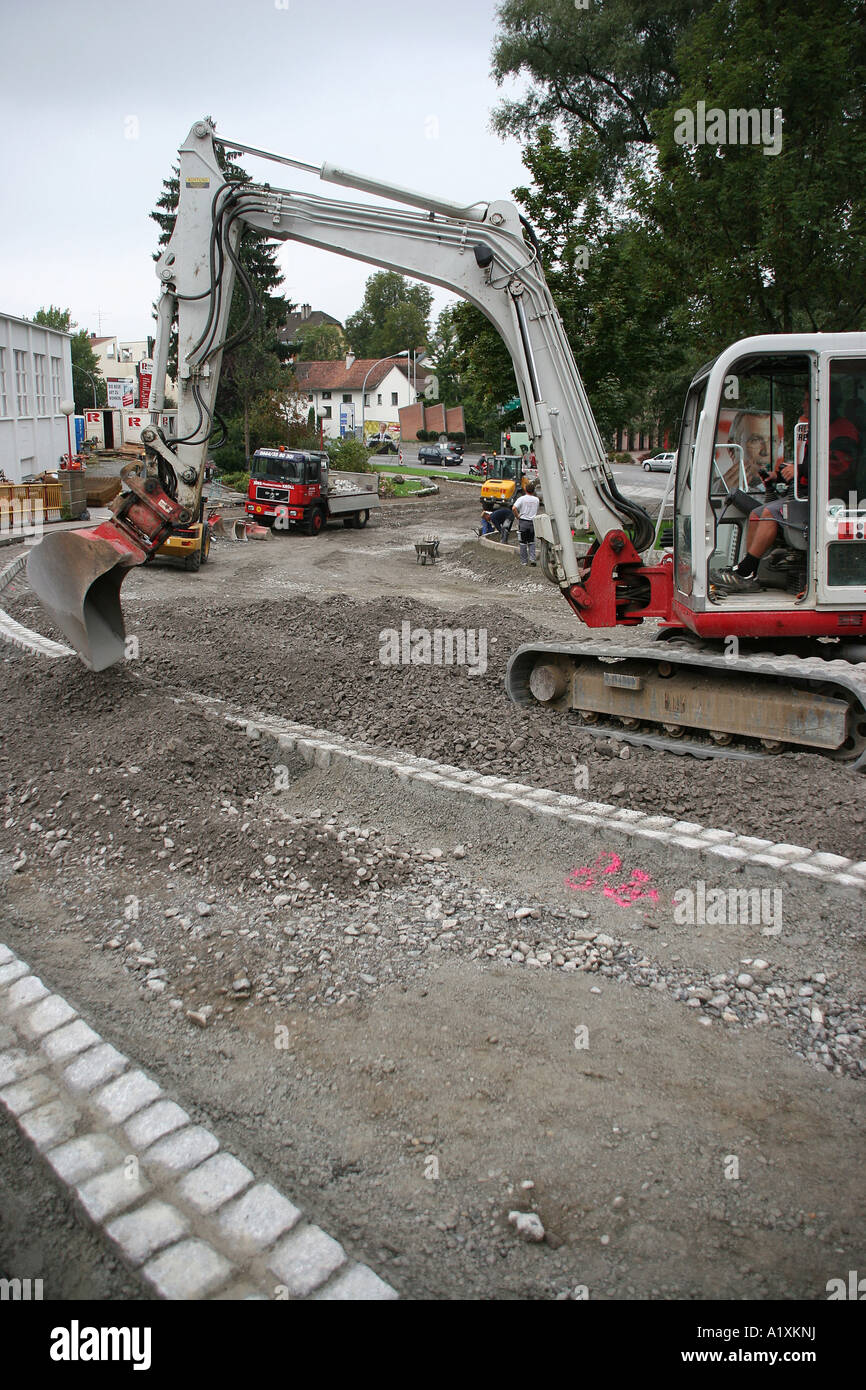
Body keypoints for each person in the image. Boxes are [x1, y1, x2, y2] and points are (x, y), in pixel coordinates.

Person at [715, 393, 811, 591]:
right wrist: (778, 476)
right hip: (803, 494)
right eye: (757, 440)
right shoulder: (812, 429)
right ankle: (750, 573)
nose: (766, 451)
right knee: (756, 514)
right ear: (733, 450)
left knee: (769, 514)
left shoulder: (835, 430)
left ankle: (744, 570)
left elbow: (831, 467)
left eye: (807, 399)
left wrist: (800, 469)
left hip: (817, 500)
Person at [512, 480, 540, 565]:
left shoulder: (521, 499)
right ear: (533, 490)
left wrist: (517, 516)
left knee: (523, 543)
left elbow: (514, 508)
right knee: (531, 542)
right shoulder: (536, 500)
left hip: (523, 522)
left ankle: (524, 561)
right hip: (532, 523)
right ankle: (532, 559)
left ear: (525, 489)